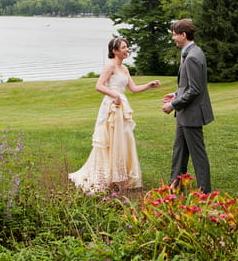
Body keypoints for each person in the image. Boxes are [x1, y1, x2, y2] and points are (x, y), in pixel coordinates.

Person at [69, 38, 160, 192]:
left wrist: (149, 85)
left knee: (123, 139)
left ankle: (121, 176)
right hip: (111, 107)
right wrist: (114, 95)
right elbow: (99, 86)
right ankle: (107, 177)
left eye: (127, 47)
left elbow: (133, 88)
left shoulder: (124, 69)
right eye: (124, 47)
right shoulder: (110, 66)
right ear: (114, 51)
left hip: (121, 106)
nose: (127, 50)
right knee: (111, 140)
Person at [162, 19, 214, 193]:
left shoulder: (192, 56)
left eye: (174, 34)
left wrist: (173, 105)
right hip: (186, 114)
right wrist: (176, 94)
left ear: (183, 35)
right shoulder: (191, 52)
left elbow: (195, 90)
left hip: (191, 114)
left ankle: (205, 192)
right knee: (179, 152)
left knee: (198, 155)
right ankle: (175, 186)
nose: (173, 38)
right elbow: (188, 86)